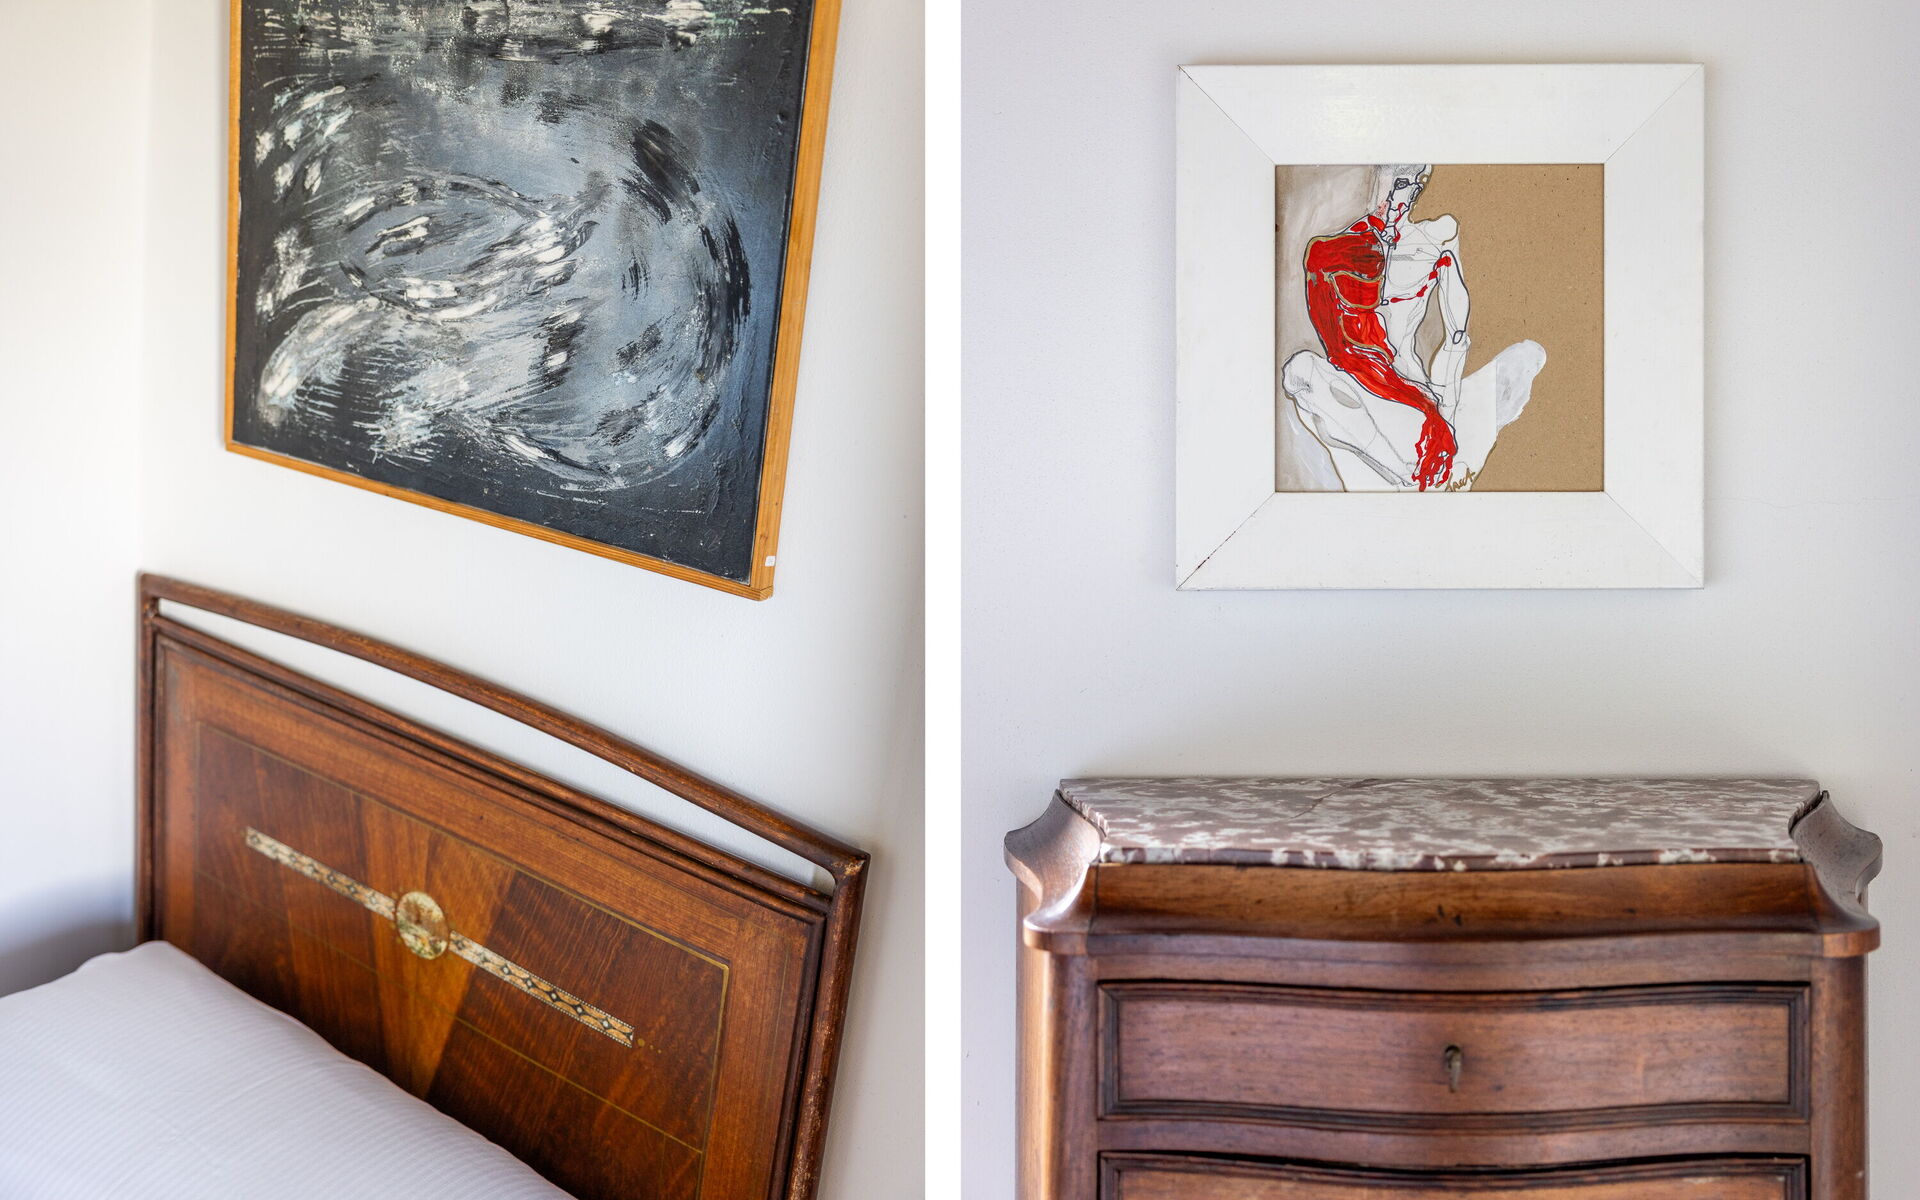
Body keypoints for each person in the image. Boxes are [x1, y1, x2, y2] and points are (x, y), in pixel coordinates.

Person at [1283, 164, 1545, 492]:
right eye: (1388, 182)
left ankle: (1413, 468)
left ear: (1418, 188)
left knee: (1525, 358)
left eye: (1404, 184)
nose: (1391, 197)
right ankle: (1401, 470)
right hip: (1354, 388)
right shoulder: (1340, 249)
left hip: (1410, 396)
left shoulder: (1434, 243)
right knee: (1298, 370)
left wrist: (1446, 417)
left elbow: (1456, 338)